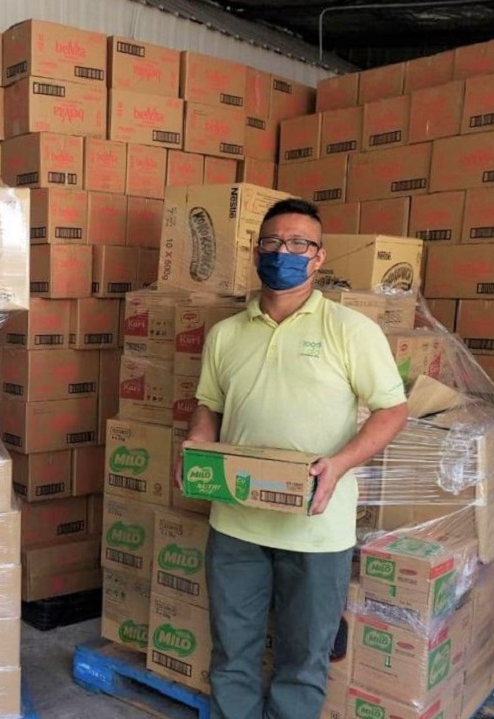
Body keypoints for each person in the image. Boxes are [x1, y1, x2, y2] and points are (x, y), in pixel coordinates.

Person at [183, 198, 408, 719]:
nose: (283, 252)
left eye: (298, 244)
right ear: (256, 251)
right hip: (236, 521)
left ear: (318, 257)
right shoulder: (226, 335)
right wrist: (197, 444)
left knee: (304, 659)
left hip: (317, 528)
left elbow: (391, 411)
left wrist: (340, 463)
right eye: (272, 243)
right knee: (231, 653)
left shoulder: (350, 331)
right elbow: (208, 407)